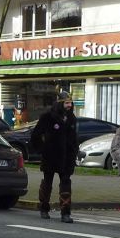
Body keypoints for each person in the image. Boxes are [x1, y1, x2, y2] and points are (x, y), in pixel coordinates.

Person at [31, 92, 79, 222]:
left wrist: (75, 151)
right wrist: (43, 149)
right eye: (67, 103)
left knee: (66, 183)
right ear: (60, 103)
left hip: (67, 157)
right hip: (51, 156)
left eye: (70, 103)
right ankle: (44, 208)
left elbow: (74, 138)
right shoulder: (47, 117)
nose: (69, 106)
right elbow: (35, 135)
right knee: (47, 182)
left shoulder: (72, 118)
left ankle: (65, 213)